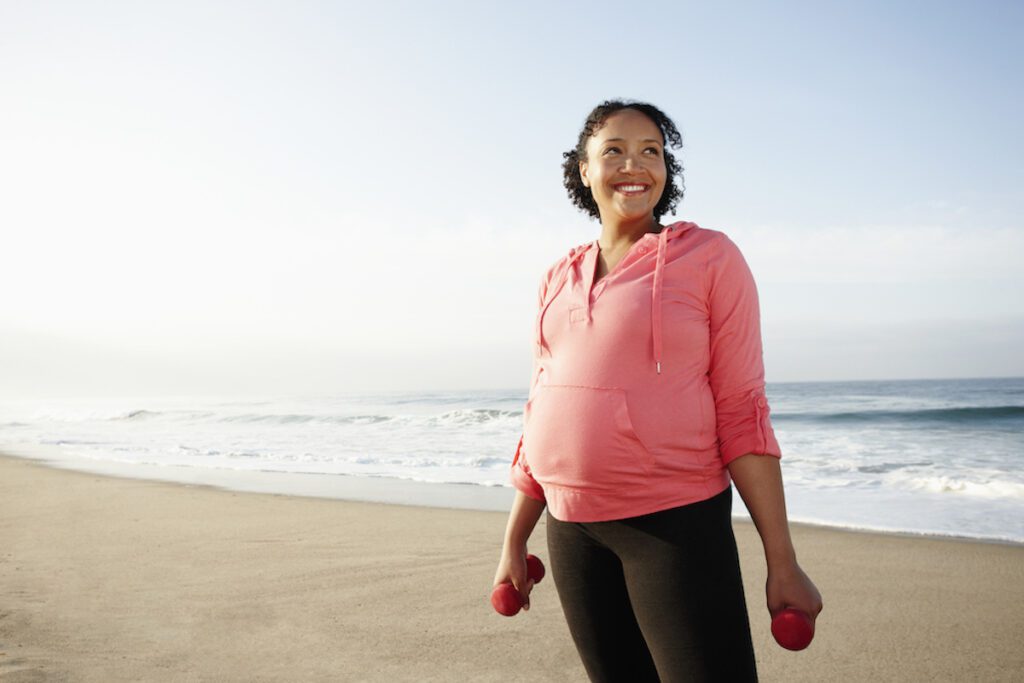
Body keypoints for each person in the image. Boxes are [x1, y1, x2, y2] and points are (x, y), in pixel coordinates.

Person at [492, 100, 822, 682]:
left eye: (652, 151)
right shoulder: (557, 276)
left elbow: (742, 411)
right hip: (571, 531)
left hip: (673, 524)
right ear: (584, 170)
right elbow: (540, 409)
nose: (634, 164)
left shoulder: (710, 258)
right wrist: (513, 538)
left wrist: (782, 561)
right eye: (613, 150)